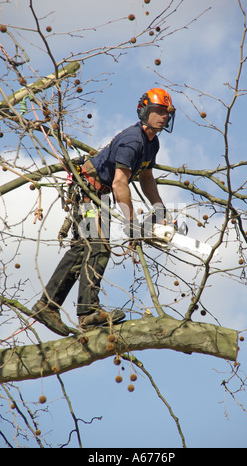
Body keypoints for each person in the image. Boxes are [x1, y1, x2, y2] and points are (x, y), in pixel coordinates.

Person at [32, 88, 176, 335]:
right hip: (88, 191)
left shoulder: (152, 143)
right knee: (97, 246)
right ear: (145, 111)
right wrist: (131, 223)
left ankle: (47, 306)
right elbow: (121, 182)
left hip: (99, 195)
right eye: (158, 111)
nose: (163, 116)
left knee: (82, 249)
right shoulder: (133, 140)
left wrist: (160, 208)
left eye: (166, 112)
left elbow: (147, 178)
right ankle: (87, 313)